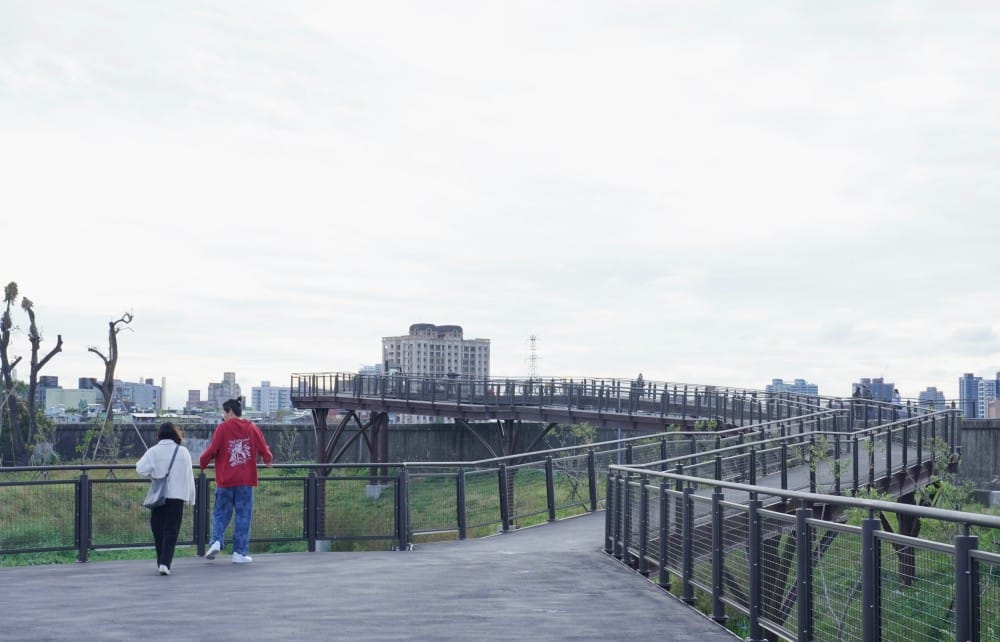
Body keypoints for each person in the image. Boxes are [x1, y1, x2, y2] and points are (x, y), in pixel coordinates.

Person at [200, 396, 273, 564]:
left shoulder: (222, 429)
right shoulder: (251, 427)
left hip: (225, 480)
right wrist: (268, 460)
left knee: (221, 513)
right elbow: (263, 447)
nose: (222, 416)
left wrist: (203, 463)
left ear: (230, 412)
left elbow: (212, 450)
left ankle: (216, 540)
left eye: (223, 413)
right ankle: (239, 553)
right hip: (245, 480)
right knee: (243, 516)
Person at [136, 422, 196, 576]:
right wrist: (191, 498)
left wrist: (155, 476)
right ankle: (165, 563)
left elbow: (140, 469)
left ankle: (160, 561)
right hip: (177, 496)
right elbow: (189, 475)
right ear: (175, 435)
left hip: (159, 496)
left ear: (160, 435)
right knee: (171, 531)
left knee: (158, 529)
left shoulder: (153, 451)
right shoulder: (183, 452)